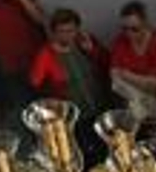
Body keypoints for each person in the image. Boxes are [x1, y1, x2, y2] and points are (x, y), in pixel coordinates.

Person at [28, 8, 112, 144]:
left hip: (99, 108)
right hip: (75, 118)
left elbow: (107, 64)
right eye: (62, 32)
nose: (67, 36)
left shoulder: (84, 42)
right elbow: (34, 85)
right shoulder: (45, 55)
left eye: (71, 31)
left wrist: (92, 50)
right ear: (54, 33)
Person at [109, 0, 156, 127]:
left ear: (146, 24)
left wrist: (128, 75)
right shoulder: (120, 41)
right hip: (133, 105)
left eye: (134, 29)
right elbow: (114, 74)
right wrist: (149, 81)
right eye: (124, 29)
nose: (129, 34)